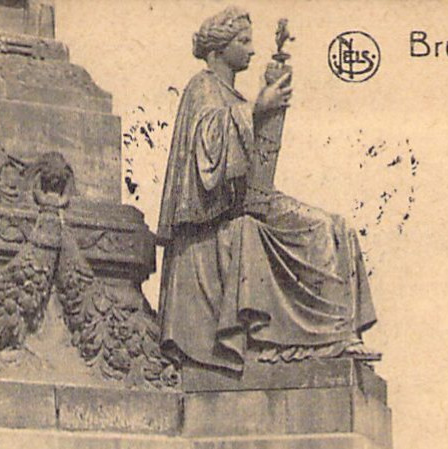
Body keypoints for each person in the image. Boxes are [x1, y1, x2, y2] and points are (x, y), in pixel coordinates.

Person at [155, 6, 376, 373]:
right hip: (212, 222)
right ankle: (326, 336)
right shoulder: (203, 86)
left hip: (245, 204)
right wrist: (258, 108)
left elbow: (255, 171)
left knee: (337, 227)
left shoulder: (234, 96)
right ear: (218, 49)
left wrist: (267, 111)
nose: (252, 50)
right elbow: (207, 154)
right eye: (243, 42)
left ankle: (341, 333)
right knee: (314, 230)